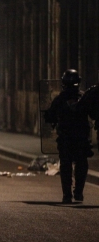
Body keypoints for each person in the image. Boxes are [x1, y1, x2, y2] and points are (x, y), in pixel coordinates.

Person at [44, 69, 92, 203]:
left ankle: (67, 195)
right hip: (81, 137)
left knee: (66, 165)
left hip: (66, 137)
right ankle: (78, 192)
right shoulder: (83, 97)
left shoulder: (60, 99)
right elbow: (92, 113)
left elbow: (50, 115)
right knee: (81, 164)